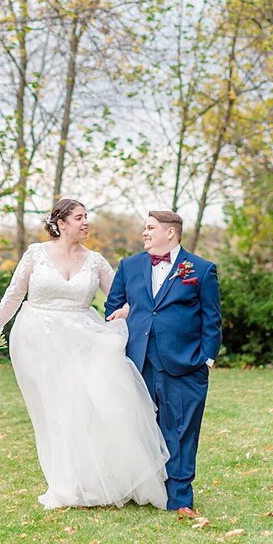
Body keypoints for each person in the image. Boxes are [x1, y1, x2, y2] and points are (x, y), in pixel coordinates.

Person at [0, 198, 169, 510]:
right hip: (36, 339)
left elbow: (121, 298)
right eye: (79, 218)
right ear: (60, 223)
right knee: (53, 411)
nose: (86, 223)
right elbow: (15, 293)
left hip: (82, 338)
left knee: (82, 407)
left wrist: (123, 312)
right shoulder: (36, 253)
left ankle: (91, 481)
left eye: (87, 217)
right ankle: (65, 484)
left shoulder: (95, 260)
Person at [105, 210, 222, 518]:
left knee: (182, 429)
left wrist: (206, 360)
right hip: (138, 361)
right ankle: (142, 489)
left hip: (185, 363)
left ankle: (180, 498)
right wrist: (127, 311)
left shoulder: (200, 269)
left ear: (170, 233)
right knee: (139, 428)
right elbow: (113, 306)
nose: (144, 233)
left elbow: (212, 319)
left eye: (150, 228)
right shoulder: (129, 266)